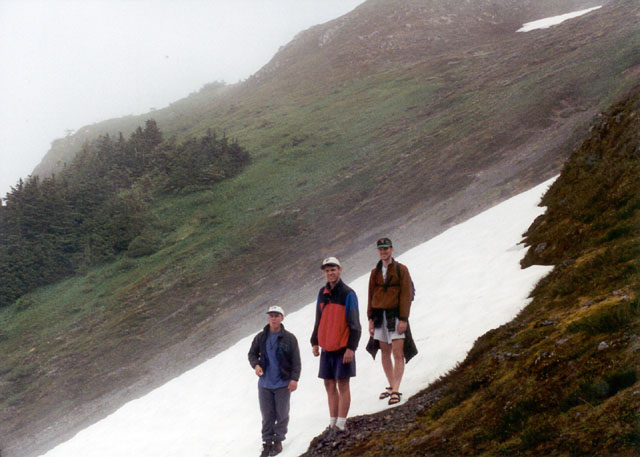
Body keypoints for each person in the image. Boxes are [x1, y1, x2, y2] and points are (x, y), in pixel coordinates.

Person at [311, 257, 361, 434]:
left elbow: (355, 323)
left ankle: (341, 423)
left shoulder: (348, 293)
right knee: (329, 384)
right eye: (327, 270)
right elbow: (319, 318)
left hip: (342, 347)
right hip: (326, 347)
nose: (330, 273)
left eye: (333, 269)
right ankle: (333, 422)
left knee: (342, 383)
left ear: (340, 270)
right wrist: (315, 341)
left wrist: (351, 348)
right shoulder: (322, 293)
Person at [366, 237, 417, 406]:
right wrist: (370, 319)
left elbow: (406, 295)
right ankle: (391, 385)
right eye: (381, 249)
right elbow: (371, 296)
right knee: (384, 352)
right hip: (380, 316)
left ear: (392, 250)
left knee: (397, 353)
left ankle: (396, 389)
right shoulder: (375, 272)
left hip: (395, 316)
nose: (384, 252)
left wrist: (403, 318)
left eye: (386, 248)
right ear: (378, 251)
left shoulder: (401, 270)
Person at [248, 305, 301, 457]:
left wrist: (294, 379)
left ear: (282, 318)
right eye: (271, 315)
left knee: (282, 413)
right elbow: (251, 354)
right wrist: (256, 365)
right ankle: (267, 443)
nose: (274, 318)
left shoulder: (289, 338)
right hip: (264, 384)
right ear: (268, 318)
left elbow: (296, 361)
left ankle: (278, 440)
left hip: (283, 383)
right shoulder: (261, 337)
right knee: (267, 415)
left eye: (277, 315)